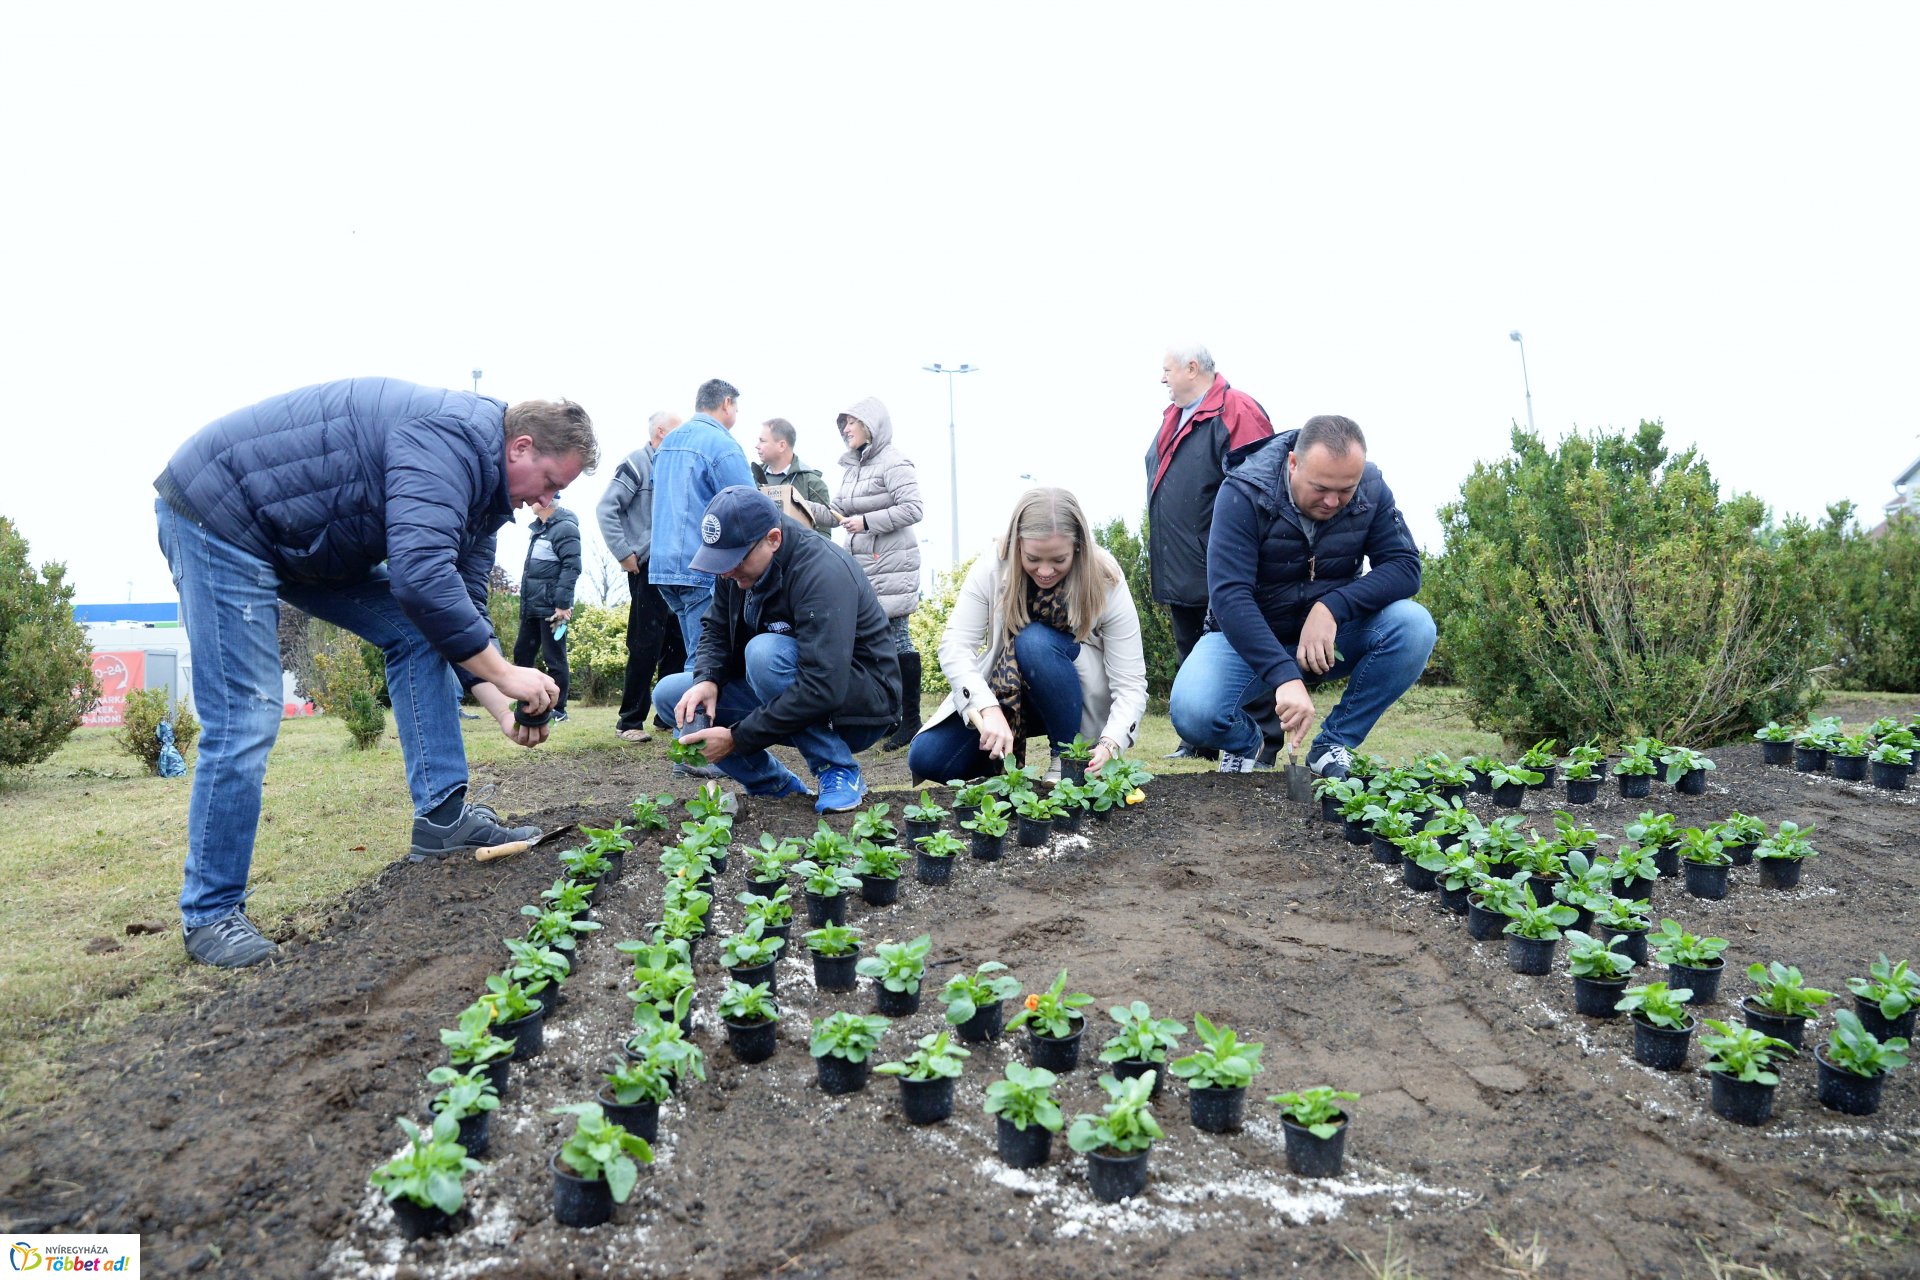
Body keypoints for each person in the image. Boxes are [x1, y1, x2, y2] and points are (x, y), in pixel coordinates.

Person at [153, 378, 596, 967]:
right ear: (519, 448)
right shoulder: (451, 442)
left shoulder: (484, 495)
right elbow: (418, 575)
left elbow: (454, 603)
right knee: (247, 712)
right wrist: (507, 672)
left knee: (417, 631)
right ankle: (210, 914)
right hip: (222, 515)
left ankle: (442, 819)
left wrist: (499, 702)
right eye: (548, 484)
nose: (543, 502)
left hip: (298, 536)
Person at [1168, 415, 1435, 781]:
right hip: (1247, 637)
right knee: (1193, 710)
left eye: (1346, 490)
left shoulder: (1372, 487)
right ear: (1293, 463)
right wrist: (1283, 676)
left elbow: (1405, 567)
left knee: (1414, 625)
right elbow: (1230, 596)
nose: (1332, 501)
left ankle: (1332, 745)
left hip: (1328, 640)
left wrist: (1332, 607)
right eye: (1321, 487)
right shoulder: (1243, 492)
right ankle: (1249, 743)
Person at [655, 486, 900, 813]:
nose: (726, 571)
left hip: (859, 704)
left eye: (735, 560)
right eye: (720, 561)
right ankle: (773, 786)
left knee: (764, 655)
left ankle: (837, 769)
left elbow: (822, 685)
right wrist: (707, 679)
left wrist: (737, 739)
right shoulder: (737, 564)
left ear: (773, 539)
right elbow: (715, 626)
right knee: (672, 696)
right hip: (792, 688)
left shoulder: (819, 572)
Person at [908, 487, 1149, 785]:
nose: (1045, 571)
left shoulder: (1104, 577)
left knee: (1034, 641)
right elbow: (955, 646)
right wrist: (987, 707)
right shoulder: (992, 567)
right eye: (1033, 558)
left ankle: (1068, 761)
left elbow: (1131, 682)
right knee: (927, 758)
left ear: (1078, 547)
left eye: (1059, 560)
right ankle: (1000, 770)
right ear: (1016, 544)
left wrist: (1111, 743)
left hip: (1077, 692)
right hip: (1011, 692)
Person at [1146, 343, 1276, 764]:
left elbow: (1261, 484)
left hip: (1222, 561)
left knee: (1237, 646)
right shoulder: (1175, 416)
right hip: (1181, 562)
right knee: (1191, 650)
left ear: (1192, 367)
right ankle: (1199, 740)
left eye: (1167, 370)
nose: (1162, 378)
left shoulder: (1235, 409)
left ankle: (1262, 743)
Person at [833, 396, 924, 751]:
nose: (845, 429)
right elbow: (836, 511)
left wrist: (867, 521)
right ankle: (895, 716)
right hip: (864, 565)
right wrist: (797, 505)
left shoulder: (894, 461)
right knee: (876, 643)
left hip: (891, 562)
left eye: (851, 422)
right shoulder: (853, 468)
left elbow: (914, 508)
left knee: (898, 638)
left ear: (870, 423)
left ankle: (911, 721)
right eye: (843, 423)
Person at [597, 410, 686, 742]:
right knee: (646, 640)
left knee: (677, 641)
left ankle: (667, 716)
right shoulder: (637, 462)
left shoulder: (677, 467)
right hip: (646, 565)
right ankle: (630, 722)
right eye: (679, 430)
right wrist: (624, 552)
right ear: (661, 432)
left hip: (678, 565)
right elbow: (607, 507)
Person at [649, 379, 754, 658]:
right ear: (726, 403)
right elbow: (749, 507)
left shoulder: (668, 442)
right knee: (704, 661)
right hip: (700, 567)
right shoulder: (721, 444)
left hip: (663, 566)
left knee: (693, 651)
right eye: (736, 407)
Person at [513, 496, 581, 721]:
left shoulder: (565, 528)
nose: (530, 501)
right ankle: (526, 703)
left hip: (554, 611)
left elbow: (572, 567)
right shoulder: (540, 529)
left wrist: (563, 605)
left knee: (555, 659)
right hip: (532, 608)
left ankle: (558, 710)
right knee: (521, 654)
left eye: (535, 498)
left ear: (547, 500)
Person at [752, 417, 835, 534]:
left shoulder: (812, 483)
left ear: (781, 445)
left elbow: (823, 535)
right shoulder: (752, 478)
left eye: (763, 441)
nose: (757, 446)